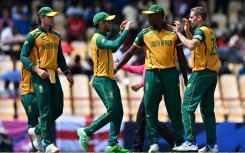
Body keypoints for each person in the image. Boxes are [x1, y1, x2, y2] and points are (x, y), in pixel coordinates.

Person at [115, 4, 188, 152]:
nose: (147, 18)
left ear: (160, 16)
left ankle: (180, 142)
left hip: (170, 73)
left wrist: (186, 78)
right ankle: (154, 143)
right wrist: (117, 66)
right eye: (147, 15)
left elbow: (181, 56)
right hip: (152, 74)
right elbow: (129, 52)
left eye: (151, 15)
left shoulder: (174, 32)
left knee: (174, 109)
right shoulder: (144, 33)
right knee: (150, 110)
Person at [76, 12, 133, 152]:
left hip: (109, 79)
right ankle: (87, 131)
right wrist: (125, 32)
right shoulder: (97, 38)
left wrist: (120, 32)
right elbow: (114, 46)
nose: (110, 24)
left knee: (118, 112)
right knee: (113, 110)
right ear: (101, 23)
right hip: (101, 79)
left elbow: (112, 47)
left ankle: (112, 144)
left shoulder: (102, 38)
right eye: (108, 21)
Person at [20, 6, 74, 152]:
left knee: (58, 108)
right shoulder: (32, 36)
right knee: (45, 108)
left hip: (53, 74)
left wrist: (67, 72)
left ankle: (36, 130)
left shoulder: (57, 35)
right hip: (39, 74)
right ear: (41, 18)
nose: (53, 18)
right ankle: (48, 144)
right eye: (49, 16)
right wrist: (36, 69)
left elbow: (60, 57)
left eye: (53, 16)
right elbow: (22, 56)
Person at [174, 6, 220, 152]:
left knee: (187, 107)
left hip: (201, 72)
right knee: (207, 110)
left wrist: (179, 34)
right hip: (212, 74)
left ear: (199, 18)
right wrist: (187, 29)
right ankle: (212, 145)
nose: (190, 19)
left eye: (192, 17)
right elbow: (194, 42)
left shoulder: (201, 31)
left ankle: (190, 142)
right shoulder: (209, 31)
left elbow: (191, 45)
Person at [116, 64, 175, 151]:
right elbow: (136, 69)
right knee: (148, 119)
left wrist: (140, 85)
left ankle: (137, 148)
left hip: (153, 92)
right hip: (149, 93)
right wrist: (121, 65)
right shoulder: (148, 63)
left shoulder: (154, 63)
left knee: (143, 118)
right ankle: (174, 141)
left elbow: (151, 77)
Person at [20, 67, 42, 152]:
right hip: (28, 93)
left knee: (47, 118)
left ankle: (42, 145)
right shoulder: (27, 57)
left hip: (39, 93)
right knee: (33, 121)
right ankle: (36, 149)